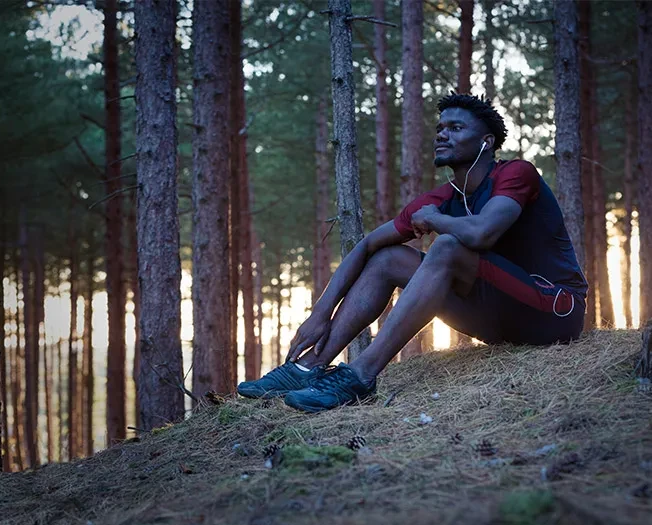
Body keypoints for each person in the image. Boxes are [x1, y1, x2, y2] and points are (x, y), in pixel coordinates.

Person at [237, 93, 587, 413]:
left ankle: (361, 375)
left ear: (486, 142)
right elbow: (367, 244)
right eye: (439, 128)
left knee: (448, 245)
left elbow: (482, 232)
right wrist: (320, 314)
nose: (441, 134)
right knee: (388, 258)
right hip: (497, 317)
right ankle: (307, 367)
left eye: (455, 127)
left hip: (552, 311)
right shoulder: (445, 196)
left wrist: (435, 220)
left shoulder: (515, 174)